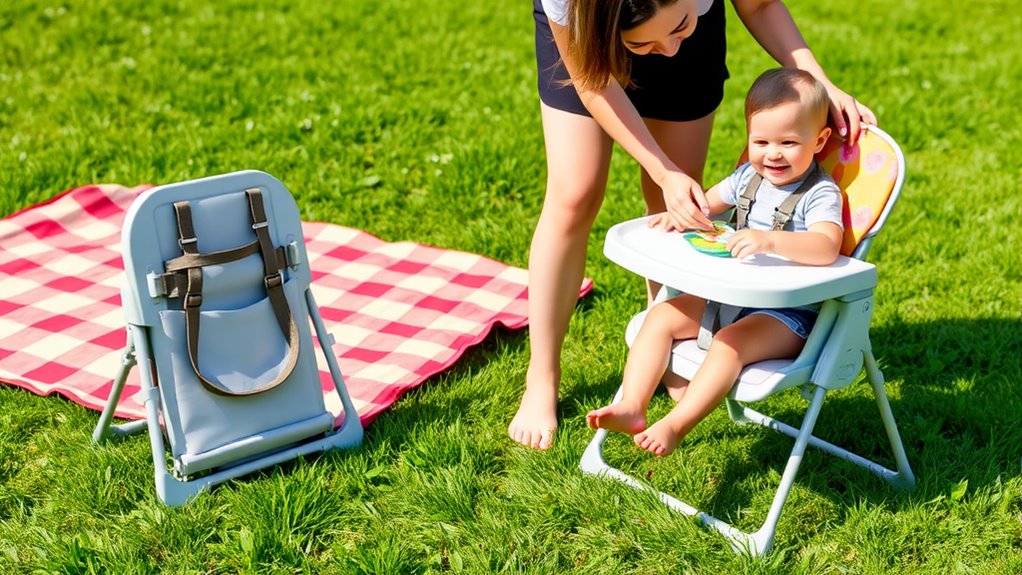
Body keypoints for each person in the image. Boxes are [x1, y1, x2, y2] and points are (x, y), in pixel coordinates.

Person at [509, 0, 877, 450]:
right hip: (589, 42)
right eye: (642, 42)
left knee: (675, 191)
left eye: (680, 26)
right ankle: (542, 375)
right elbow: (594, 83)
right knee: (575, 193)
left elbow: (759, 4)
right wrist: (663, 173)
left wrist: (818, 81)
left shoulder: (814, 191)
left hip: (776, 310)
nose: (665, 50)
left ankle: (668, 364)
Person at [586, 67, 842, 456]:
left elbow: (826, 246)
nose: (772, 153)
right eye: (761, 141)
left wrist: (770, 240)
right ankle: (633, 405)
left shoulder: (819, 193)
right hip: (728, 299)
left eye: (788, 142)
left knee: (728, 343)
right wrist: (684, 214)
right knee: (660, 316)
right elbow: (707, 204)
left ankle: (676, 423)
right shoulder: (747, 178)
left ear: (819, 140)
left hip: (787, 316)